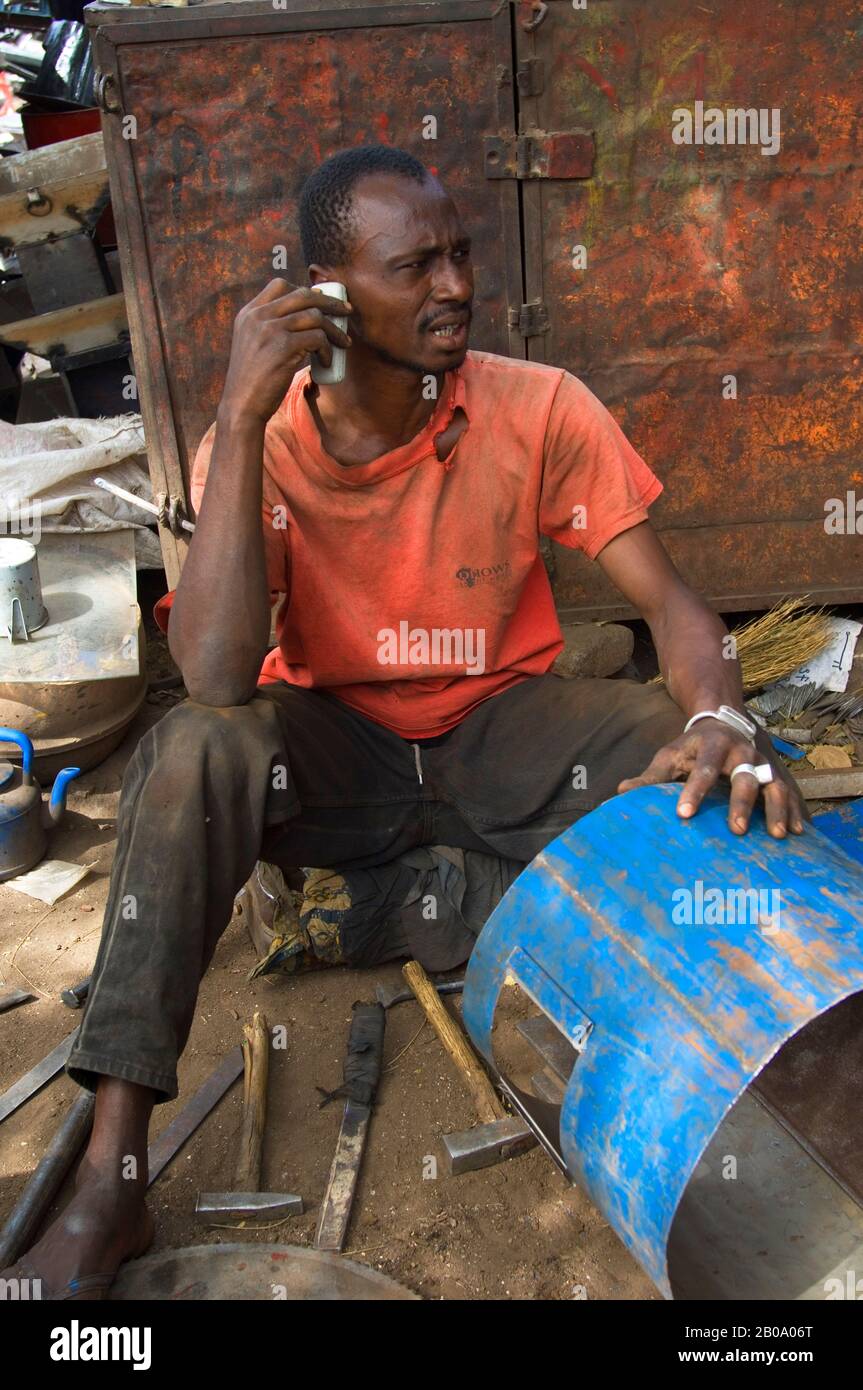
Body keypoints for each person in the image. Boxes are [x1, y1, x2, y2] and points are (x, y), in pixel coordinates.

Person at [1, 145, 805, 1300]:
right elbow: (219, 674)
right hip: (337, 752)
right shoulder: (263, 440)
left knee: (680, 753)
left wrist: (721, 712)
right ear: (329, 292)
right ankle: (109, 1177)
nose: (454, 286)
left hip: (498, 729)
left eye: (459, 253)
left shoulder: (535, 404)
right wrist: (235, 409)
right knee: (193, 749)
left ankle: (452, 910)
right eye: (413, 264)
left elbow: (673, 607)